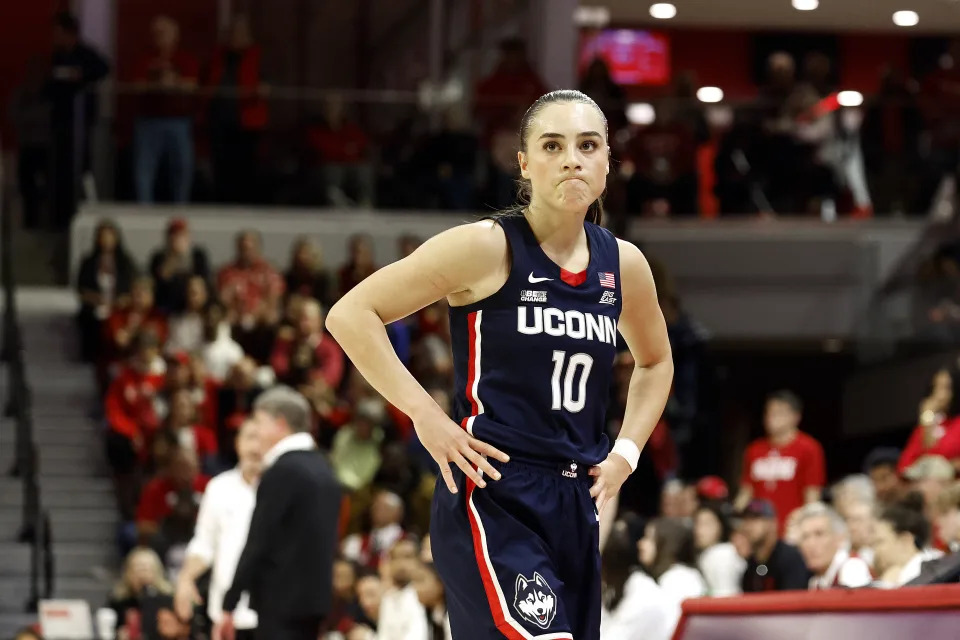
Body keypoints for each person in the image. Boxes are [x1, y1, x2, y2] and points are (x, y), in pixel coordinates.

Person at [328, 89, 674, 640]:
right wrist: (427, 416)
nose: (571, 159)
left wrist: (626, 454)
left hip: (576, 498)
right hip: (494, 488)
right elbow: (351, 314)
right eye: (553, 145)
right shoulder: (488, 247)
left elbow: (655, 363)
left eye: (587, 145)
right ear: (524, 163)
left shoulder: (623, 264)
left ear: (608, 161)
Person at [220, 386, 342, 640]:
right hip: (314, 604)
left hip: (280, 605)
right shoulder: (325, 469)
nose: (257, 432)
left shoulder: (283, 471)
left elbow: (258, 541)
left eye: (259, 423)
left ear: (280, 424)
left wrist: (230, 602)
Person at [174, 420, 263, 639]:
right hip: (226, 614)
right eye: (250, 438)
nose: (255, 447)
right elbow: (204, 543)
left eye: (261, 439)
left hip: (273, 613)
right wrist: (185, 579)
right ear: (237, 443)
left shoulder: (285, 488)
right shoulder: (219, 487)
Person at [735, 390, 826, 534]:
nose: (771, 418)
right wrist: (737, 519)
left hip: (790, 529)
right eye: (768, 413)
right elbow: (746, 491)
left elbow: (812, 495)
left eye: (779, 413)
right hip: (757, 531)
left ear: (796, 417)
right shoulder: (754, 450)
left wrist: (806, 528)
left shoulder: (809, 448)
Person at [739, 498, 811, 592]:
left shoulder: (790, 558)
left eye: (755, 519)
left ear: (773, 523)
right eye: (745, 520)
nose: (748, 526)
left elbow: (793, 602)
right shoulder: (751, 565)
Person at [796, 502, 872, 589]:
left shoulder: (852, 568)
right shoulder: (815, 582)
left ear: (839, 539)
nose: (811, 544)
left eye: (819, 534)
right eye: (805, 537)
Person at [693, 502, 746, 596]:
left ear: (720, 526)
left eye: (706, 524)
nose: (699, 530)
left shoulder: (720, 554)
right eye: (697, 523)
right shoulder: (712, 553)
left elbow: (725, 596)